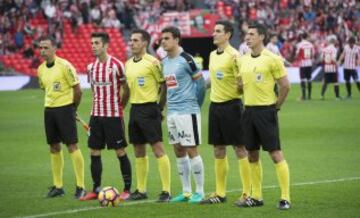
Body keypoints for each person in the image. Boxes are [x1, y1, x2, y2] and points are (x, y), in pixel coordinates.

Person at [236, 23, 291, 210]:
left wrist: (276, 106)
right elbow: (239, 84)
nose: (247, 37)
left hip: (266, 111)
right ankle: (256, 196)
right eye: (247, 34)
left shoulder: (273, 59)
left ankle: (285, 197)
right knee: (251, 153)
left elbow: (285, 86)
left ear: (262, 37)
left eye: (252, 34)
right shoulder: (242, 60)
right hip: (248, 111)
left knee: (275, 153)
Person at [200, 20, 251, 205]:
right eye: (214, 31)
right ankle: (220, 193)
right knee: (218, 149)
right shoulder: (213, 54)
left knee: (239, 148)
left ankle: (247, 192)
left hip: (232, 106)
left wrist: (240, 86)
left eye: (218, 31)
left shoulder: (235, 56)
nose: (214, 34)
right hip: (215, 107)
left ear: (228, 35)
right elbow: (212, 79)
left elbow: (242, 82)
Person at [80, 32, 132, 201]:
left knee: (120, 151)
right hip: (96, 116)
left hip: (113, 116)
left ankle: (127, 189)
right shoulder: (90, 67)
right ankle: (95, 189)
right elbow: (95, 90)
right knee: (94, 151)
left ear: (105, 45)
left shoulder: (117, 64)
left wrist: (120, 107)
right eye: (92, 43)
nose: (93, 45)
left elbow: (126, 89)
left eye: (97, 43)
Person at [121, 29, 172, 202]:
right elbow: (126, 89)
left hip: (150, 109)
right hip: (134, 109)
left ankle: (166, 190)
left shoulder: (153, 63)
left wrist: (160, 107)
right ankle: (141, 190)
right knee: (138, 150)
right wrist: (121, 106)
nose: (132, 43)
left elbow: (163, 86)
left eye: (135, 40)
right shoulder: (127, 64)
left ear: (145, 43)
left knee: (157, 149)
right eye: (131, 40)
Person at [160, 26, 206, 203]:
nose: (163, 41)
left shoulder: (187, 59)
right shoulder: (164, 62)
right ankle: (186, 191)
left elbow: (200, 84)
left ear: (177, 39)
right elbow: (166, 87)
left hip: (188, 111)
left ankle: (200, 191)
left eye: (167, 38)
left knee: (191, 149)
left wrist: (197, 105)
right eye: (162, 39)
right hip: (172, 112)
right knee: (178, 150)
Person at [37, 36, 86, 199]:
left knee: (72, 146)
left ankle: (81, 186)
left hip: (65, 109)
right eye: (41, 48)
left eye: (46, 47)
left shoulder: (65, 66)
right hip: (49, 110)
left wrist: (72, 108)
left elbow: (78, 90)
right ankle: (58, 187)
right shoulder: (41, 69)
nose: (42, 51)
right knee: (54, 147)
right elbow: (45, 89)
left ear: (54, 49)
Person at [295, 33, 315, 100]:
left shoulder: (300, 45)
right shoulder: (311, 45)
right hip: (309, 64)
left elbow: (297, 54)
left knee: (302, 80)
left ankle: (303, 96)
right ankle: (309, 96)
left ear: (301, 37)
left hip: (302, 64)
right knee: (309, 79)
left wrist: (297, 59)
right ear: (307, 37)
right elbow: (313, 54)